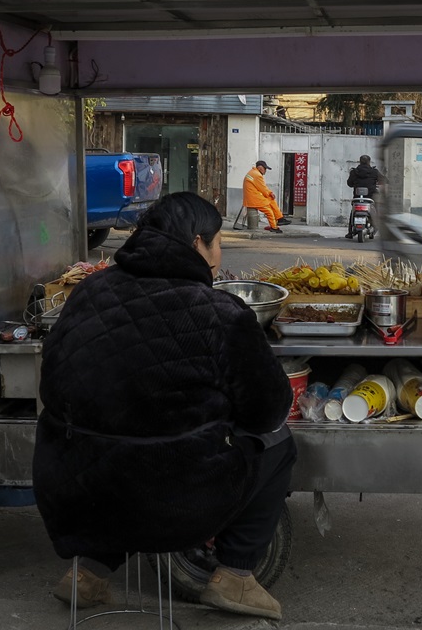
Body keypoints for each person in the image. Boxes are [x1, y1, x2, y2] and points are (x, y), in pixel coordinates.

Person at [33, 192, 297, 620]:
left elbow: (52, 385)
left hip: (73, 492)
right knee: (277, 441)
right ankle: (236, 575)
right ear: (196, 243)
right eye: (217, 242)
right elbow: (267, 411)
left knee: (115, 448)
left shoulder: (90, 290)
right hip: (173, 503)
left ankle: (89, 573)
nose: (219, 253)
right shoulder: (221, 312)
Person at [244, 160, 290, 233]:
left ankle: (280, 218)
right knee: (269, 210)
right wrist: (269, 193)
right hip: (253, 198)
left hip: (253, 196)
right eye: (265, 169)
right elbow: (263, 189)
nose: (265, 171)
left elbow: (262, 188)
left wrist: (270, 193)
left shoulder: (253, 172)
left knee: (271, 199)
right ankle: (274, 227)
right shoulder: (257, 175)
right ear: (260, 168)